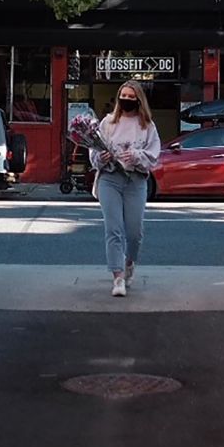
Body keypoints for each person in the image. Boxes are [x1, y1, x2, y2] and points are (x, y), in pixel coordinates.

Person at [89, 80, 162, 297]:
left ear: (139, 100)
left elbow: (154, 156)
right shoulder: (108, 123)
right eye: (124, 96)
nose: (127, 100)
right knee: (113, 229)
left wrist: (137, 156)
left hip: (136, 181)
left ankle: (129, 262)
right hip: (109, 179)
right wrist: (100, 157)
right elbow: (93, 153)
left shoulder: (147, 125)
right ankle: (118, 277)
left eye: (132, 97)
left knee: (134, 232)